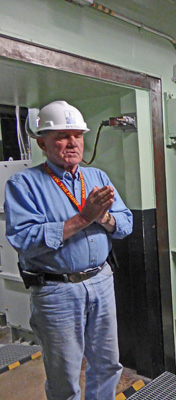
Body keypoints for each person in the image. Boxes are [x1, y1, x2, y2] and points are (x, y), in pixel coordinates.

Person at [4, 100, 133, 400]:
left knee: (107, 363)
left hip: (101, 281)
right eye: (61, 136)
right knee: (64, 373)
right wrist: (83, 219)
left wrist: (106, 219)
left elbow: (125, 224)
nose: (72, 142)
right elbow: (23, 239)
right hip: (56, 291)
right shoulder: (23, 184)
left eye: (77, 134)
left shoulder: (97, 178)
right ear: (42, 143)